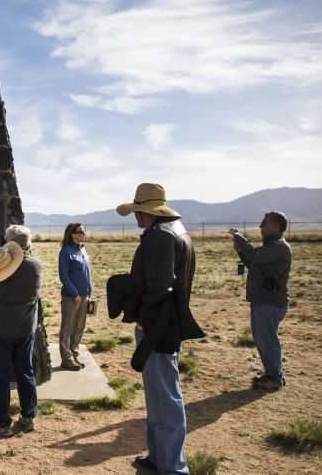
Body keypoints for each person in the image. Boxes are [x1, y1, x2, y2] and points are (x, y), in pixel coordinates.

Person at [115, 183, 194, 474]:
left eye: (139, 211)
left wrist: (139, 311)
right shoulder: (177, 231)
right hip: (166, 322)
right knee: (159, 396)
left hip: (158, 325)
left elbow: (159, 286)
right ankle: (159, 458)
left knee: (166, 398)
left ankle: (173, 467)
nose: (137, 218)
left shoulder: (160, 236)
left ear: (148, 212)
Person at [0, 224, 41, 437]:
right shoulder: (36, 266)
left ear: (8, 243)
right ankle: (28, 416)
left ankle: (3, 422)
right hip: (25, 329)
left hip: (0, 328)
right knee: (26, 371)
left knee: (1, 375)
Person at [229, 211, 292, 390]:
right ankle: (271, 374)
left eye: (264, 223)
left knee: (268, 341)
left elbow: (255, 256)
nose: (260, 226)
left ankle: (275, 378)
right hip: (263, 300)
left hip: (270, 302)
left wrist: (240, 239)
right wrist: (241, 253)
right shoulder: (271, 247)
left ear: (275, 226)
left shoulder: (279, 246)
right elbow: (253, 263)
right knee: (262, 340)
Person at [58, 222, 92, 371]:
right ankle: (67, 359)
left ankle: (74, 354)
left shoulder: (83, 251)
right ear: (72, 234)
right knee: (68, 328)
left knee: (79, 327)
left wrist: (89, 293)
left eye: (84, 231)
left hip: (84, 295)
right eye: (80, 232)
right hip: (71, 297)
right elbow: (63, 275)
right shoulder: (66, 252)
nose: (83, 234)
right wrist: (75, 294)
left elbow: (87, 274)